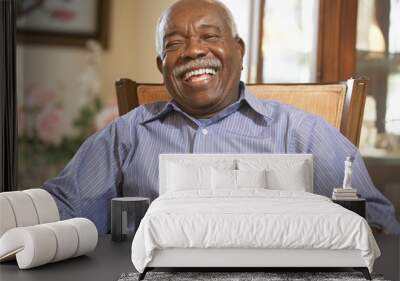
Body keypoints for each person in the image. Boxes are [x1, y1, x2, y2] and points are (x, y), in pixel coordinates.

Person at [43, 0, 400, 234]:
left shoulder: (302, 133)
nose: (193, 50)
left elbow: (378, 224)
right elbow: (63, 210)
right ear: (161, 66)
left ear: (238, 49)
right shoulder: (126, 135)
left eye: (209, 36)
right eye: (174, 44)